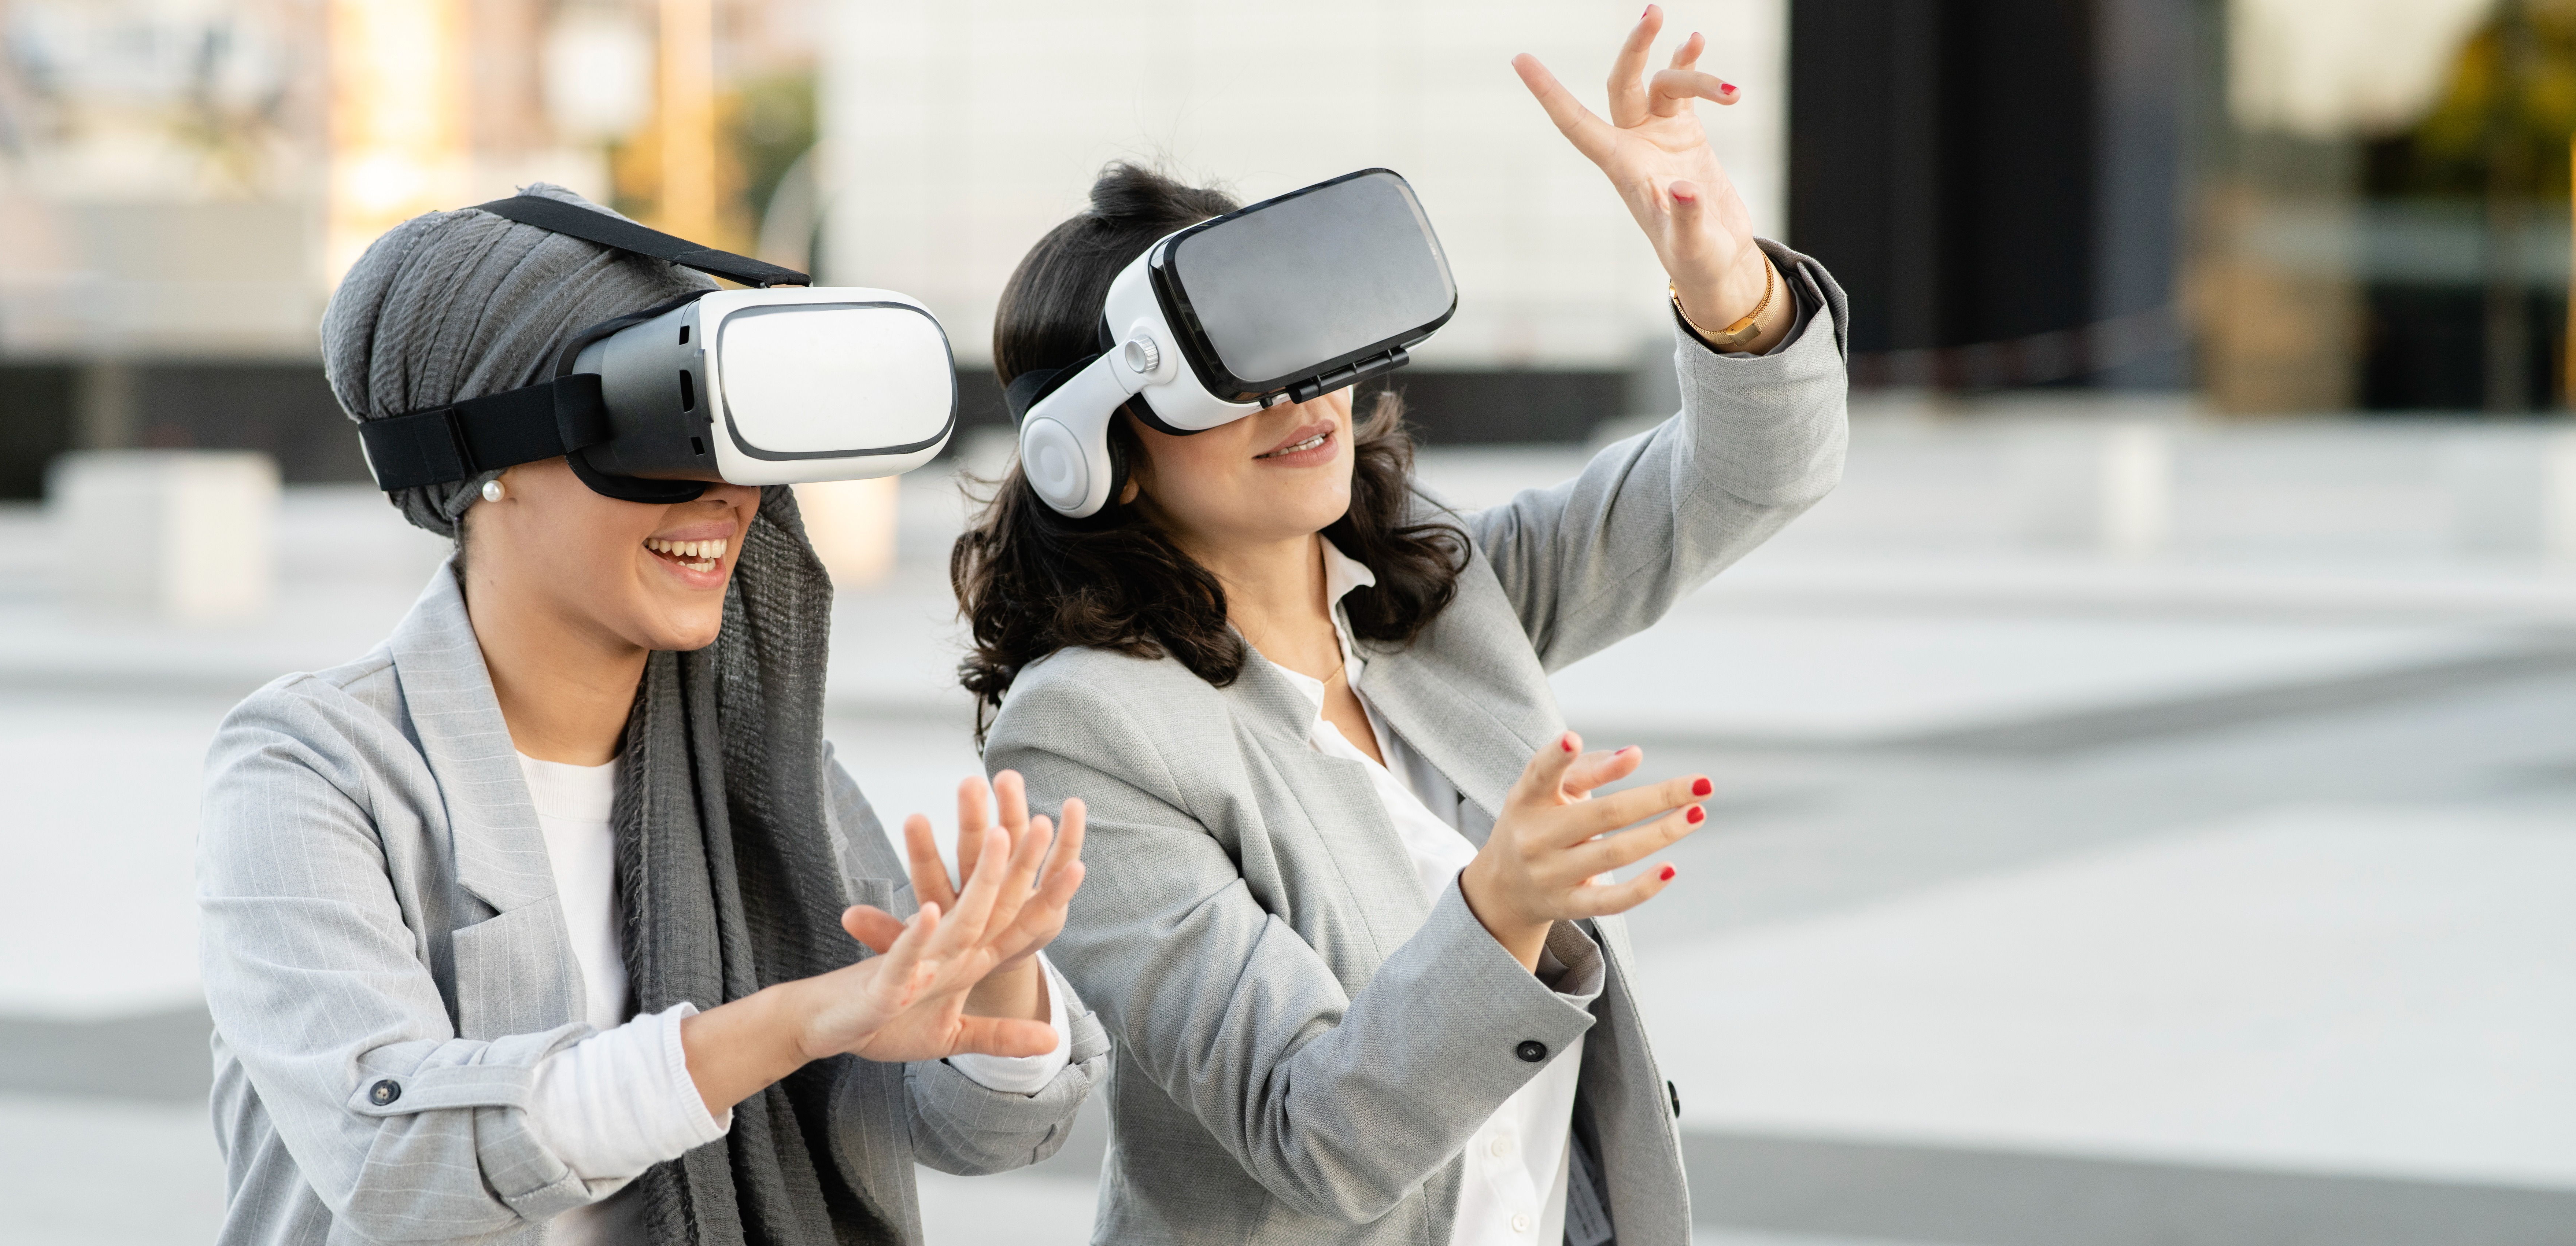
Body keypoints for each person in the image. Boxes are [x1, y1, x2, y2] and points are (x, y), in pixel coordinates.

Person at [952, 12, 1847, 1246]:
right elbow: (1312, 1133)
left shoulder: (1435, 596)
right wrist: (1501, 908)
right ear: (1089, 447)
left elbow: (1748, 479)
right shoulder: (1086, 738)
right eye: (1227, 364)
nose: (1300, 390)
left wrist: (1721, 273)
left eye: (1298, 333)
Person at [198, 185, 1107, 1246]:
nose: (729, 494)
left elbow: (971, 1136)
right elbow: (397, 1162)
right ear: (482, 466)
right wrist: (785, 1023)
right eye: (662, 433)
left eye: (735, 444)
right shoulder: (312, 766)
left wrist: (994, 992)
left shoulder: (762, 768)